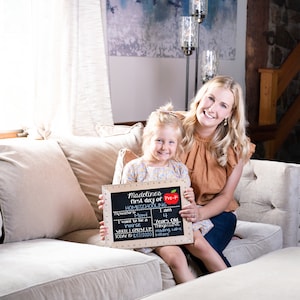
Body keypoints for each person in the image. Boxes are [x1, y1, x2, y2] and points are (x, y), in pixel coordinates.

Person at [98, 103, 227, 284]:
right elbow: (123, 203)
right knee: (176, 259)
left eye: (171, 142)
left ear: (177, 144)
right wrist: (110, 212)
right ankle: (194, 294)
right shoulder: (134, 168)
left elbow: (185, 203)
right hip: (155, 232)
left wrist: (189, 199)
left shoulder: (179, 169)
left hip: (179, 223)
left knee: (202, 246)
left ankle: (232, 284)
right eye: (159, 140)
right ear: (148, 139)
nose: (164, 147)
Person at [178, 75, 255, 269]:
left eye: (223, 105)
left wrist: (200, 213)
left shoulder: (236, 147)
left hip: (217, 214)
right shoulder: (173, 128)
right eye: (210, 98)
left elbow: (226, 196)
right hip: (178, 212)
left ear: (230, 113)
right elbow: (145, 168)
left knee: (200, 245)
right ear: (201, 97)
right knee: (180, 250)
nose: (212, 109)